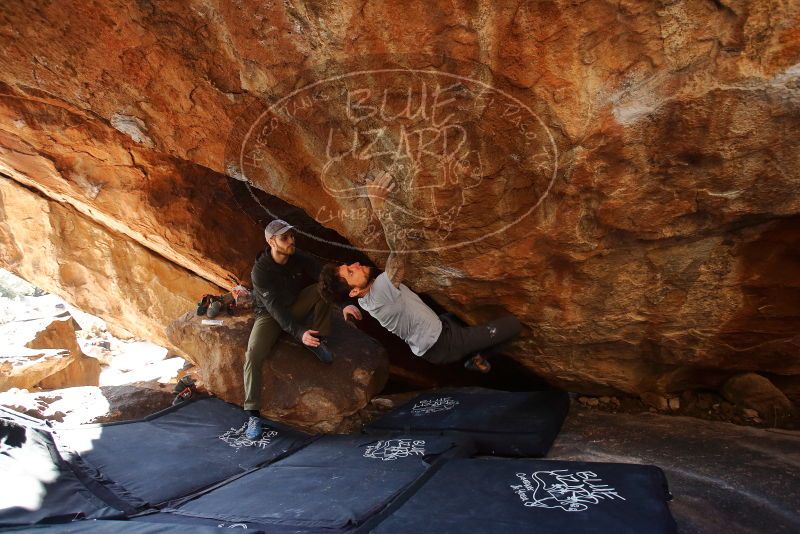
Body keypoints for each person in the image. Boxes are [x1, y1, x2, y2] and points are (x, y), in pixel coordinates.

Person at [318, 172, 522, 372]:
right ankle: (479, 357)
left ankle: (471, 352)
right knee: (513, 326)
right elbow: (400, 249)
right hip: (444, 345)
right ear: (354, 292)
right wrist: (380, 207)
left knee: (458, 316)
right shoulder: (380, 293)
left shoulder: (365, 297)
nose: (355, 264)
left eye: (348, 266)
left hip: (439, 328)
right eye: (350, 273)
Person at [244, 219, 362, 439]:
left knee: (320, 289)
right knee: (253, 355)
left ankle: (318, 341)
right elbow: (275, 309)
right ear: (271, 242)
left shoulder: (298, 256)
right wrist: (299, 333)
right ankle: (252, 414)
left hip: (296, 304)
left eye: (291, 235)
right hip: (270, 314)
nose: (291, 241)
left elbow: (326, 279)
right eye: (284, 238)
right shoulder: (260, 271)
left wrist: (344, 304)